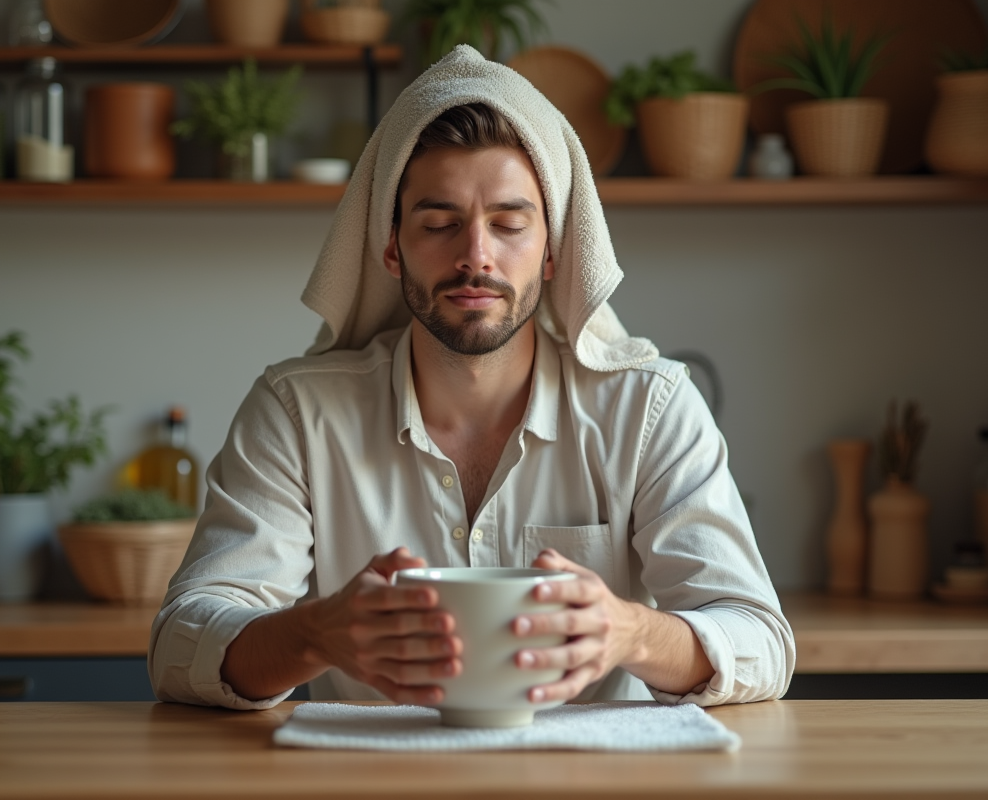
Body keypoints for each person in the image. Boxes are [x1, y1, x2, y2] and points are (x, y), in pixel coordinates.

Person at [149, 46, 794, 711]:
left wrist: (629, 632)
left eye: (509, 224)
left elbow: (762, 644)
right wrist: (316, 634)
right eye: (440, 224)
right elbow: (178, 646)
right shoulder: (296, 413)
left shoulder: (650, 409)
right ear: (392, 247)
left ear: (552, 250)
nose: (475, 257)